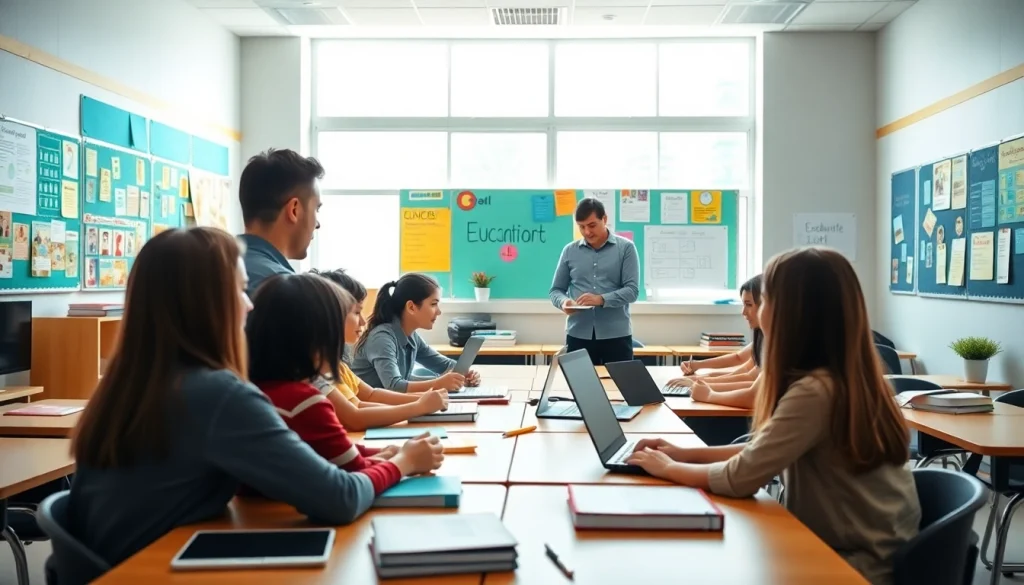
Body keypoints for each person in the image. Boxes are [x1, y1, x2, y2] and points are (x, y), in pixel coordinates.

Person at [67, 227, 441, 571]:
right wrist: (404, 462)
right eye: (241, 291)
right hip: (148, 572)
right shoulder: (218, 395)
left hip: (116, 569)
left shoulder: (131, 384)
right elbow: (339, 498)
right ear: (207, 304)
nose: (249, 307)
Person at [626, 247, 920, 585]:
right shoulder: (845, 377)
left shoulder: (816, 391)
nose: (754, 311)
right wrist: (679, 452)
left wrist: (670, 469)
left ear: (793, 313)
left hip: (851, 566)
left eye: (763, 300)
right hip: (861, 551)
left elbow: (741, 477)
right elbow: (762, 454)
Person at [246, 272, 443, 493]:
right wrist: (406, 461)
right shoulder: (304, 401)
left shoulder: (265, 389)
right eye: (352, 314)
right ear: (318, 331)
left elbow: (332, 455)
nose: (361, 322)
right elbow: (351, 486)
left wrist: (388, 453)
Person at [310, 269, 449, 430]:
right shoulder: (315, 373)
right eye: (356, 312)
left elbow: (369, 396)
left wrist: (422, 401)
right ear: (331, 315)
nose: (363, 321)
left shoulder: (338, 366)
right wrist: (418, 407)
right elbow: (354, 417)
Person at [351, 273, 479, 393]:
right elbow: (394, 386)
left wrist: (466, 374)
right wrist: (439, 383)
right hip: (369, 412)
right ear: (411, 307)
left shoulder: (411, 337)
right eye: (433, 304)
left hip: (388, 409)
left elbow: (444, 365)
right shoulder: (382, 338)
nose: (438, 312)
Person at [549, 197, 639, 365]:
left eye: (591, 225)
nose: (587, 232)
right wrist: (564, 303)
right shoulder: (569, 251)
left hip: (616, 336)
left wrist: (601, 299)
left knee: (618, 388)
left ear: (604, 219)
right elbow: (555, 290)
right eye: (581, 227)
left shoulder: (626, 248)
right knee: (580, 388)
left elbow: (632, 291)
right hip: (577, 335)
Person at [668, 274, 764, 409]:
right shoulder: (764, 338)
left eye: (748, 304)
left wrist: (706, 389)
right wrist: (701, 378)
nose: (743, 312)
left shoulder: (781, 344)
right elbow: (747, 373)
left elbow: (751, 385)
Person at [237, 148, 323, 297]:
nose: (318, 224)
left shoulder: (203, 266)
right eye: (316, 209)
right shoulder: (287, 290)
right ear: (294, 210)